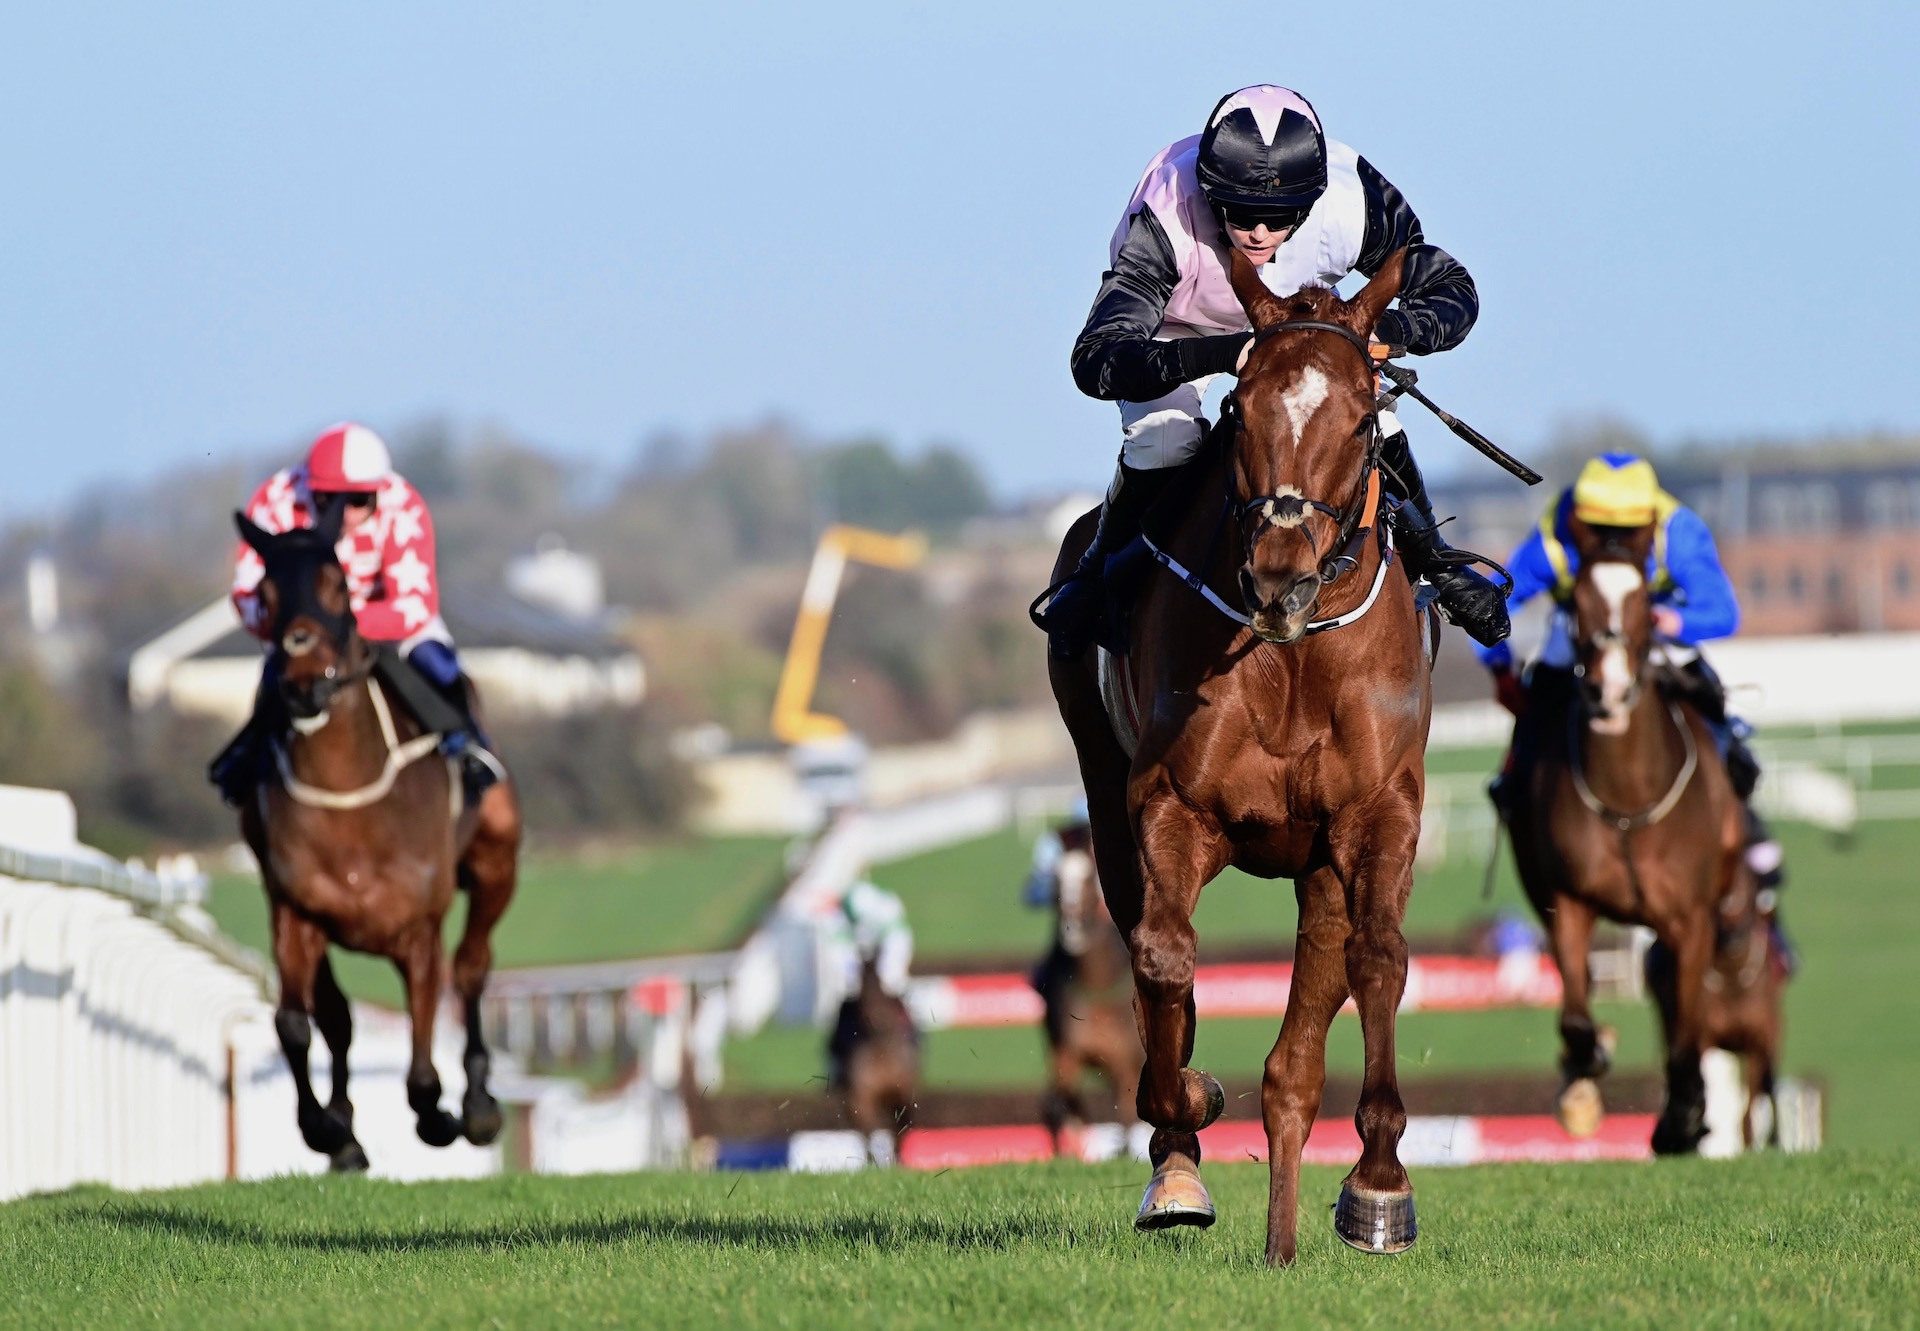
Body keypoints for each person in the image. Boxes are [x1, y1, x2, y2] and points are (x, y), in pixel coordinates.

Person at [1035, 84, 1510, 660]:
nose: (1258, 233)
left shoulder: (1356, 202)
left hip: (1305, 332)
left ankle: (1436, 560)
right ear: (1211, 194)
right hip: (1182, 333)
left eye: (1280, 217)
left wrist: (1381, 334)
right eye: (1240, 214)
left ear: (1309, 205)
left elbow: (1452, 289)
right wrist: (1221, 354)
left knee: (1371, 419)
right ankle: (1098, 573)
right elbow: (1098, 358)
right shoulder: (1164, 220)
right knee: (1162, 442)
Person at [1479, 452, 1791, 962]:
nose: (1612, 540)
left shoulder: (1679, 532)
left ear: (1647, 519)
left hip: (1655, 629)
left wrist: (1675, 622)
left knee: (1713, 711)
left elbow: (1722, 611)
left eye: (1625, 529)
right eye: (1599, 527)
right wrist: (1501, 669)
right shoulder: (1554, 537)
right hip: (1580, 633)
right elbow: (1492, 600)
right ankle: (1515, 789)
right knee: (1536, 716)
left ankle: (1741, 802)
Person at [208, 422, 499, 806]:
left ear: (378, 492)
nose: (343, 514)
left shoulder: (403, 504)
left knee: (437, 663)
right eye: (327, 499)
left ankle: (470, 746)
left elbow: (415, 605)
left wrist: (346, 626)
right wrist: (295, 629)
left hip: (388, 620)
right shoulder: (275, 500)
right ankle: (249, 760)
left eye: (357, 500)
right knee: (278, 677)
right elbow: (247, 594)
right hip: (308, 631)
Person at [824, 877, 915, 1089]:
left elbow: (898, 944)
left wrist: (889, 977)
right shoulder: (840, 919)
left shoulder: (887, 912)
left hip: (887, 960)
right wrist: (853, 981)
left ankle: (913, 1047)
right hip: (860, 968)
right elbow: (840, 955)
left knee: (901, 1001)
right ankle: (836, 1064)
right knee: (846, 1006)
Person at [1024, 799, 1097, 1036]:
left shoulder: (1114, 836)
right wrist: (1059, 890)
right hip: (1068, 925)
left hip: (1108, 923)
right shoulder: (1053, 845)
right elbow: (1032, 892)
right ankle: (1055, 1030)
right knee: (1044, 977)